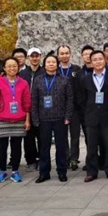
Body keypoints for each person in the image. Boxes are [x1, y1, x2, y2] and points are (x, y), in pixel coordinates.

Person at [77, 50, 108, 182]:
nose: (98, 62)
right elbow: (82, 99)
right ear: (91, 62)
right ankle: (91, 171)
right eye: (95, 59)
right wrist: (87, 112)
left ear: (105, 60)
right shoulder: (85, 79)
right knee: (91, 146)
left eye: (100, 59)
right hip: (91, 117)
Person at [31, 54, 73, 183]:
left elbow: (69, 99)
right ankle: (44, 173)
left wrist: (68, 116)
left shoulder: (64, 79)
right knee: (44, 147)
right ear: (44, 65)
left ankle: (62, 171)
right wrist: (35, 118)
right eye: (48, 62)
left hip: (60, 118)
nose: (51, 64)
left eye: (53, 62)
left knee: (61, 147)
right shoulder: (38, 80)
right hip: (43, 118)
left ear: (57, 64)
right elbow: (34, 100)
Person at [0, 57, 32, 184]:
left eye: (14, 66)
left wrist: (27, 120)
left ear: (18, 67)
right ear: (4, 68)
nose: (12, 68)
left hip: (19, 119)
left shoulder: (23, 83)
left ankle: (15, 171)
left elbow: (27, 103)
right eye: (9, 66)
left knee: (16, 147)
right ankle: (2, 171)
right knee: (2, 146)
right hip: (1, 118)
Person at [57, 45, 82, 171]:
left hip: (75, 108)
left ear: (70, 54)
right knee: (62, 135)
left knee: (75, 135)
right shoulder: (55, 70)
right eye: (62, 53)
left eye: (66, 53)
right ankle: (65, 157)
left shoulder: (77, 69)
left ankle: (74, 158)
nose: (64, 55)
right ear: (58, 56)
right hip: (60, 108)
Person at [18, 47, 44, 171]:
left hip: (41, 109)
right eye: (32, 56)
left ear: (40, 57)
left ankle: (42, 159)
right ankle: (31, 160)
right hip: (26, 109)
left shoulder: (44, 72)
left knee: (42, 136)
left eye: (37, 56)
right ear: (28, 58)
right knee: (28, 137)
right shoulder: (22, 74)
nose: (34, 58)